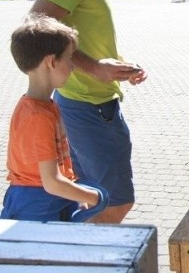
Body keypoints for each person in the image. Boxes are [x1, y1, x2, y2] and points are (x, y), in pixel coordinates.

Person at [30, 0, 148, 224]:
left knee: (96, 199)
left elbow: (76, 31)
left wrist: (113, 65)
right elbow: (36, 24)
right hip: (88, 107)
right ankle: (58, 252)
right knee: (114, 204)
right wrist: (93, 67)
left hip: (88, 104)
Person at [1, 14, 109, 222]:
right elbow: (51, 182)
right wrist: (94, 197)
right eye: (69, 59)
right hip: (37, 205)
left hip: (43, 199)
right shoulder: (38, 116)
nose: (72, 66)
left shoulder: (44, 106)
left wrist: (76, 193)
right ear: (51, 61)